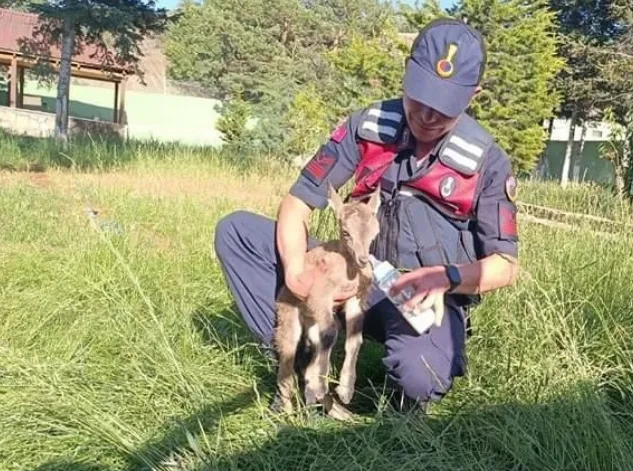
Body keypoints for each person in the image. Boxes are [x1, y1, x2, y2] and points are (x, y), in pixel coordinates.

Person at [213, 17, 520, 413]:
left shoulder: (485, 160)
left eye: (442, 108)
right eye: (419, 97)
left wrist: (443, 278)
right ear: (407, 74)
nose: (427, 115)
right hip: (352, 269)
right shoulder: (369, 126)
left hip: (417, 291)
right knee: (236, 232)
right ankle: (300, 358)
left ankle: (403, 393)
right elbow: (297, 203)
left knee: (421, 373)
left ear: (473, 95)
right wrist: (295, 270)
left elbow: (505, 265)